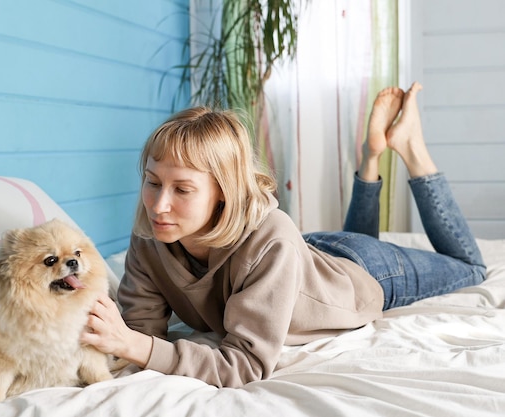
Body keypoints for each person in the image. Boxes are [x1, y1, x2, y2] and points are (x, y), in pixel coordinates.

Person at [81, 82, 486, 388]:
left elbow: (244, 364)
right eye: (152, 182)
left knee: (472, 269)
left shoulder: (270, 237)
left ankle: (411, 149)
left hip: (360, 275)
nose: (158, 204)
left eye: (182, 190)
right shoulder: (152, 233)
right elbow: (139, 332)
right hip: (308, 256)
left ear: (224, 191)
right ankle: (370, 159)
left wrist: (134, 346)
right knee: (342, 246)